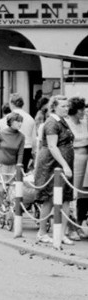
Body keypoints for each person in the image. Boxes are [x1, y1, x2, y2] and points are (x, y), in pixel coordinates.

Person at [33, 95, 75, 245]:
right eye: (63, 106)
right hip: (52, 164)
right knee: (49, 199)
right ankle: (42, 232)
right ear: (54, 107)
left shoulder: (62, 121)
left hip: (63, 163)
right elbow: (52, 146)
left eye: (67, 106)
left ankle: (61, 233)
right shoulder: (51, 122)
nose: (66, 108)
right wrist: (64, 164)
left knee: (65, 198)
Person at [0, 111, 26, 211]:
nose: (20, 124)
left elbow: (20, 153)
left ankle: (10, 210)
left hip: (13, 166)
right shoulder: (0, 134)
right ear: (11, 122)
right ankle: (1, 209)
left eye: (21, 121)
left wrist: (19, 166)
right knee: (1, 190)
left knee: (11, 190)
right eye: (17, 121)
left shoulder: (21, 136)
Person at [64, 97, 87, 237]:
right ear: (74, 110)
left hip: (86, 162)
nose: (83, 111)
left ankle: (78, 224)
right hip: (73, 159)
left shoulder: (85, 123)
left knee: (82, 196)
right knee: (72, 194)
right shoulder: (66, 123)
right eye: (81, 109)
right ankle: (70, 227)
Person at [8, 94, 36, 172]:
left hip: (11, 148)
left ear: (11, 103)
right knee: (22, 173)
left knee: (10, 173)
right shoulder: (30, 118)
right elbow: (34, 139)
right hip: (27, 147)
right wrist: (34, 153)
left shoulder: (9, 117)